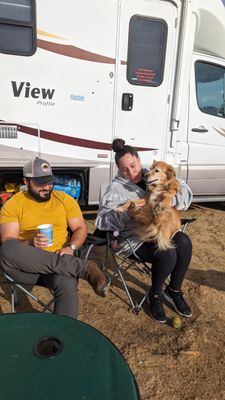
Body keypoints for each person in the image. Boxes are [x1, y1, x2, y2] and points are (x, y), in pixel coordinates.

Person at [95, 138, 193, 323]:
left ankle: (173, 291)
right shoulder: (115, 189)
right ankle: (154, 296)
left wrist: (170, 199)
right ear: (119, 169)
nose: (131, 172)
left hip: (158, 230)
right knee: (168, 253)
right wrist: (127, 214)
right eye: (124, 169)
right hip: (132, 240)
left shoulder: (155, 173)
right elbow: (101, 221)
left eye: (133, 165)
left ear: (139, 160)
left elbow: (185, 193)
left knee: (185, 242)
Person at [0, 157, 110, 318]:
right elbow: (8, 241)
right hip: (27, 267)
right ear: (26, 181)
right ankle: (84, 268)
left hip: (60, 260)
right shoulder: (14, 204)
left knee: (66, 284)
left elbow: (80, 228)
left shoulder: (64, 200)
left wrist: (71, 248)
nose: (46, 187)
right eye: (40, 183)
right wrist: (31, 242)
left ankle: (61, 337)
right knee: (6, 249)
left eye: (49, 182)